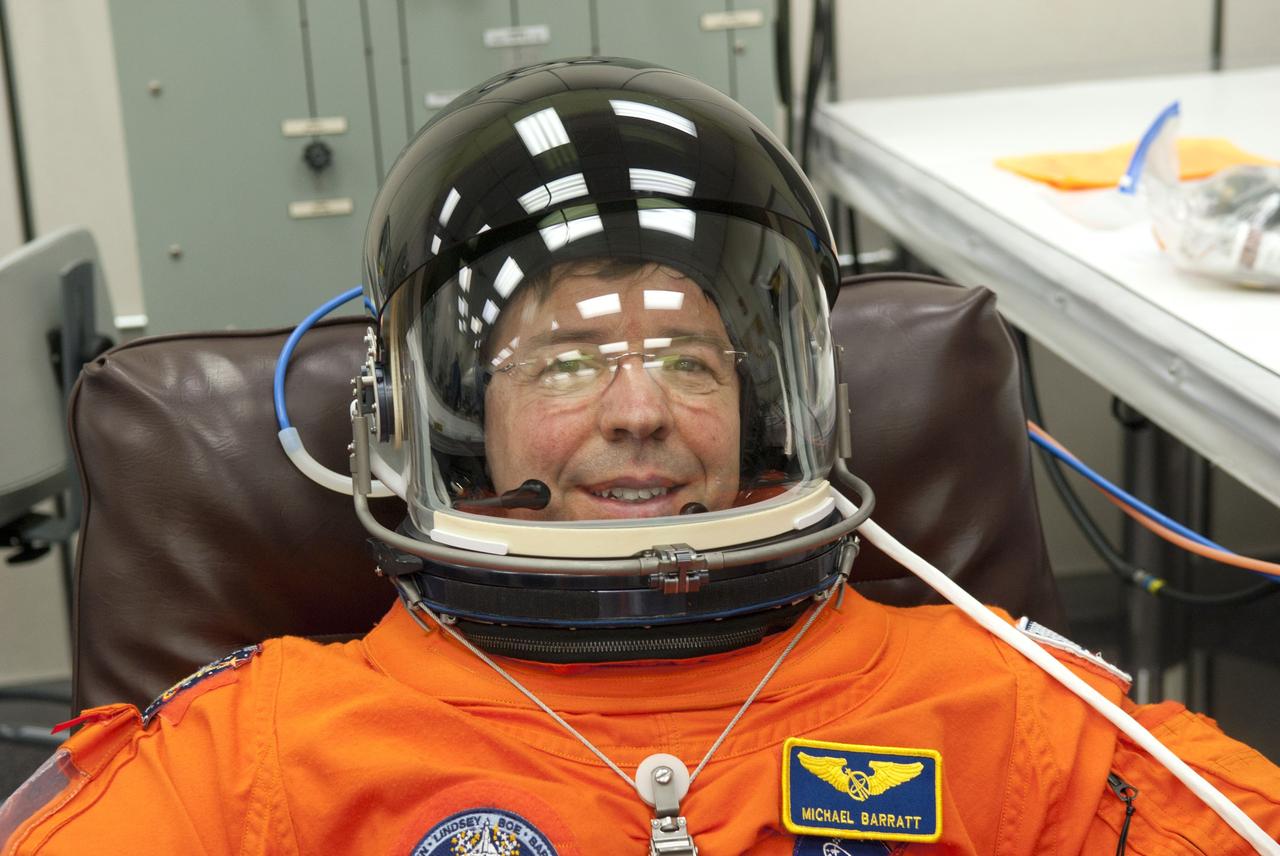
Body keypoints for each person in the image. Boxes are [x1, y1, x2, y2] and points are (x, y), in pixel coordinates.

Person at [2, 57, 1279, 856]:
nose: (636, 409)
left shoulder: (998, 712)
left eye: (689, 358)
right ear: (446, 422)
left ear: (771, 406)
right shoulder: (261, 750)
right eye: (562, 362)